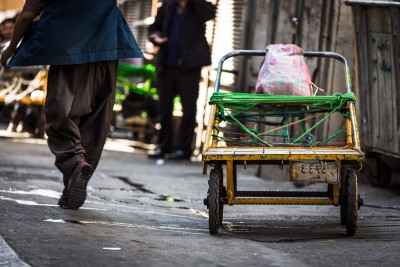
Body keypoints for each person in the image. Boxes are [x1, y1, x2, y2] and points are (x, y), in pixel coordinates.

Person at [0, 0, 143, 209]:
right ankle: (71, 187)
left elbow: (26, 16)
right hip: (107, 51)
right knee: (95, 122)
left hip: (70, 52)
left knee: (62, 115)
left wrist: (10, 48)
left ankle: (75, 164)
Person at [147, 0, 215, 160]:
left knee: (189, 110)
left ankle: (184, 149)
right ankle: (164, 147)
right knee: (164, 109)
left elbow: (208, 14)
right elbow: (154, 27)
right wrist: (155, 36)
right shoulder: (167, 6)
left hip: (189, 67)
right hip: (167, 65)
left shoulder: (199, 6)